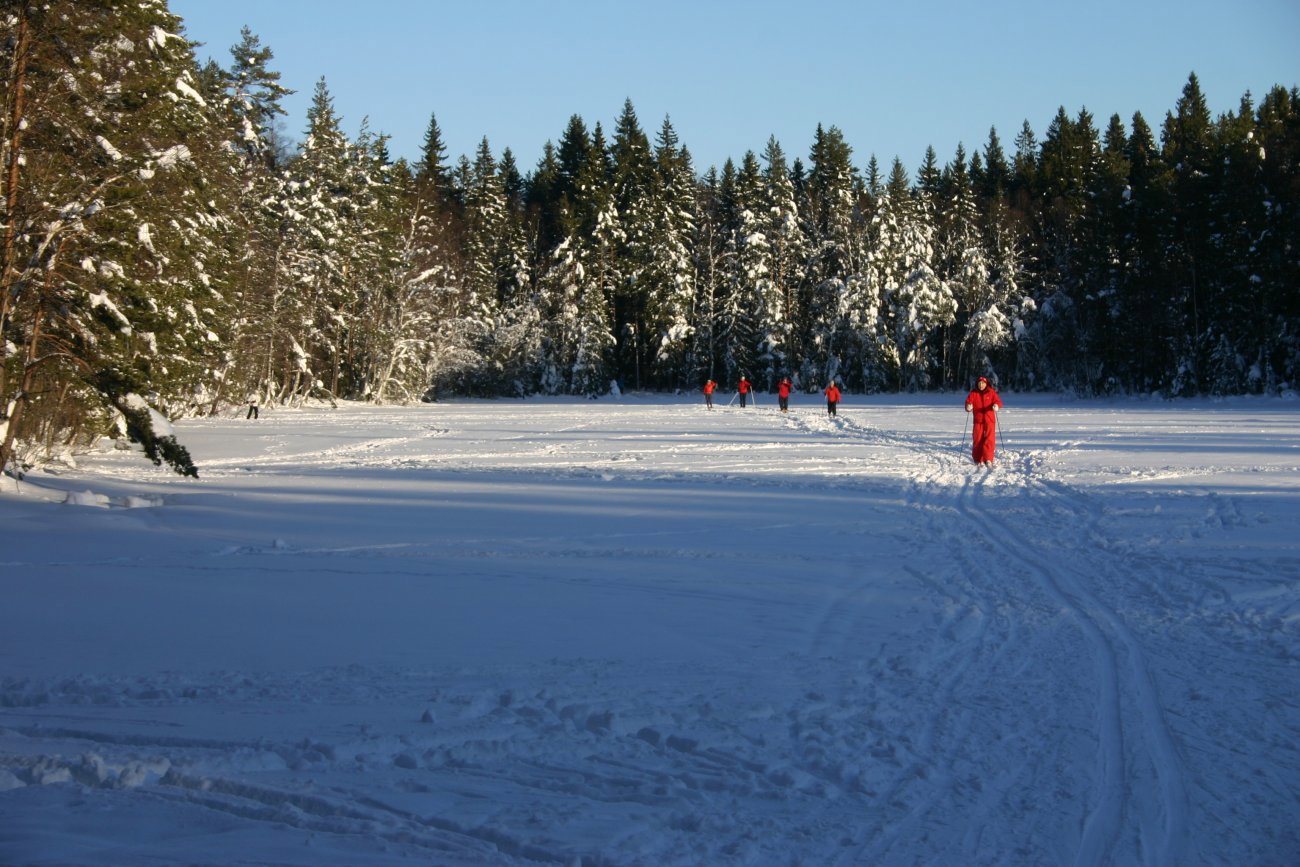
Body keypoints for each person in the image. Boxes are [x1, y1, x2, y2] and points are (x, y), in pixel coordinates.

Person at [964, 375, 1004, 465]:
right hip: (978, 421)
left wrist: (996, 406)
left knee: (989, 439)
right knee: (977, 439)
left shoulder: (991, 392)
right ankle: (977, 459)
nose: (981, 385)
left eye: (983, 383)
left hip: (989, 420)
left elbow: (998, 401)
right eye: (979, 383)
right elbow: (968, 402)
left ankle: (988, 459)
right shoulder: (974, 393)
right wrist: (968, 406)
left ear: (986, 384)